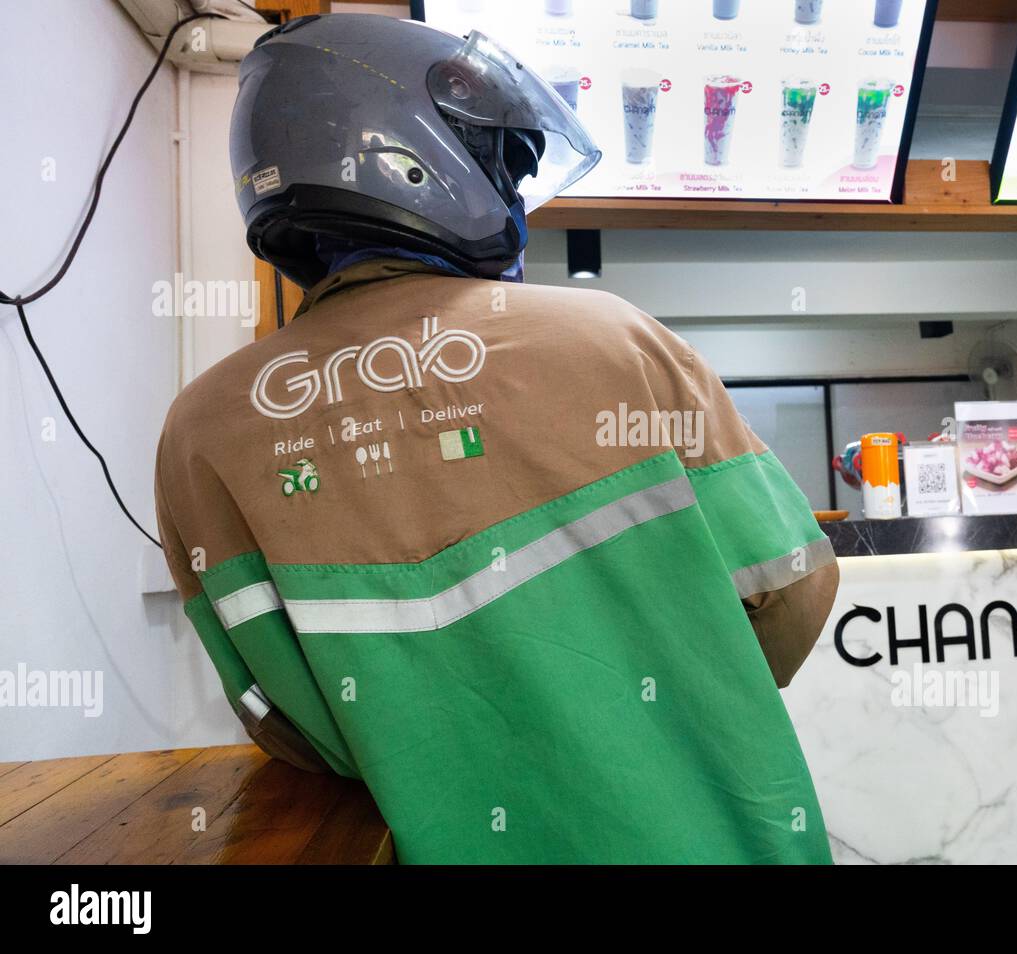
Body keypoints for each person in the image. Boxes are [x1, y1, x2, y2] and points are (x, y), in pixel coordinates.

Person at [155, 13, 839, 864]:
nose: (513, 199)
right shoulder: (609, 341)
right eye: (505, 168)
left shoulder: (200, 431)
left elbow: (286, 727)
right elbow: (793, 594)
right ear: (422, 156)